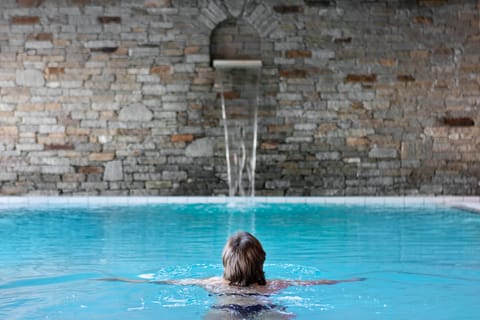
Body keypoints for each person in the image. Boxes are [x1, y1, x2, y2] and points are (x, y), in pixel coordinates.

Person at [98, 231, 365, 319]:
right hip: (265, 308)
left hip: (224, 308)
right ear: (261, 260)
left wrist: (122, 279)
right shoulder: (274, 286)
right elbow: (314, 283)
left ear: (225, 263)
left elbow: (166, 281)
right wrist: (350, 280)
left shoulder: (212, 283)